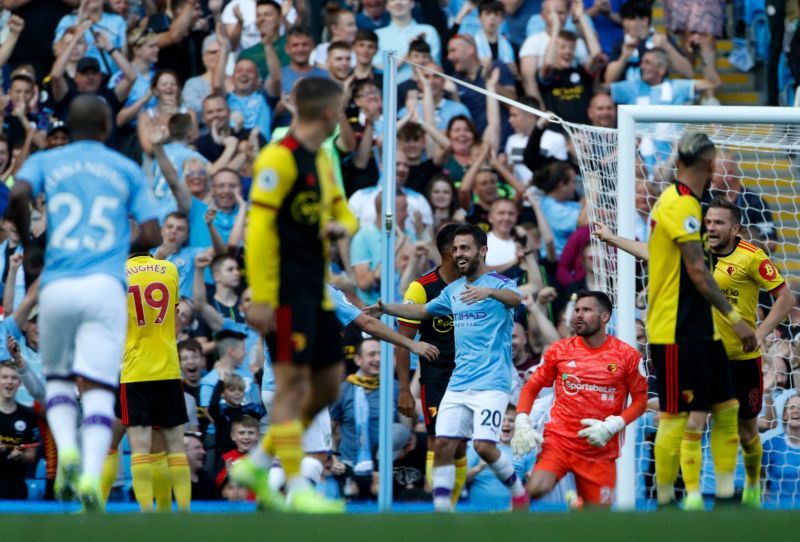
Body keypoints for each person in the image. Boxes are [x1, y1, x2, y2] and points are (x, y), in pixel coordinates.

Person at [8, 95, 161, 510]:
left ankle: (68, 452)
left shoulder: (48, 161)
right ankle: (92, 476)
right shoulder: (126, 168)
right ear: (108, 126)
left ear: (70, 128)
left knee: (57, 380)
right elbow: (153, 233)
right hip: (105, 286)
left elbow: (17, 193)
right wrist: (118, 244)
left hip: (58, 284)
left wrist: (27, 238)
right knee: (98, 386)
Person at [593, 197, 795, 507]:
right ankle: (693, 497)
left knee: (746, 431)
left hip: (741, 359)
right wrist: (610, 237)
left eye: (719, 223)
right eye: (708, 222)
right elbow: (652, 253)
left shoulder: (753, 258)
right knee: (692, 423)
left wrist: (759, 333)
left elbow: (784, 298)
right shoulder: (693, 252)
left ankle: (753, 483)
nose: (711, 227)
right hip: (701, 356)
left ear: (736, 227)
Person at [231, 77, 358, 513]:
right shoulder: (277, 158)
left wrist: (344, 226)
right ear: (328, 113)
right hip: (284, 290)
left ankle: (260, 460)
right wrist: (262, 296)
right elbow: (259, 229)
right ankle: (298, 490)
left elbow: (342, 209)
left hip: (317, 289)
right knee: (290, 387)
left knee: (326, 384)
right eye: (340, 110)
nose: (341, 118)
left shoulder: (322, 160)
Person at [366, 224, 529, 512]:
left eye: (464, 248)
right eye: (455, 249)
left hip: (492, 382)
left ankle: (518, 493)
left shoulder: (501, 283)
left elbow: (516, 299)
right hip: (459, 382)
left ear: (483, 250)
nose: (458, 254)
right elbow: (423, 311)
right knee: (441, 443)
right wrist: (387, 309)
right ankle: (442, 512)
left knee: (483, 447)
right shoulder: (453, 290)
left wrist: (488, 292)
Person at [643, 132, 756, 510]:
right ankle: (663, 500)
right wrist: (736, 319)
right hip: (675, 328)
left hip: (699, 329)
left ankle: (725, 495)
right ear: (710, 165)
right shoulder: (679, 204)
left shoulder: (688, 202)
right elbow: (696, 269)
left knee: (726, 405)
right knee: (675, 413)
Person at [512, 291, 648, 506]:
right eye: (576, 310)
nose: (578, 315)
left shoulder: (626, 355)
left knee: (596, 521)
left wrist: (614, 425)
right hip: (560, 442)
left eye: (586, 310)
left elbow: (641, 400)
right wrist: (521, 420)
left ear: (604, 317)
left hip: (599, 448)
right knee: (536, 488)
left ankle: (578, 507)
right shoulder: (560, 350)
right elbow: (531, 387)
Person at [116, 253, 191, 512]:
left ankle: (146, 513)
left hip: (136, 369)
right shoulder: (169, 269)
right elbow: (175, 314)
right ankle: (183, 512)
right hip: (168, 366)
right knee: (176, 451)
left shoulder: (118, 273)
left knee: (140, 450)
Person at [396, 224, 462, 505]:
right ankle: (441, 508)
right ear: (449, 251)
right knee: (439, 440)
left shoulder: (479, 285)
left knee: (459, 445)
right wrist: (403, 390)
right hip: (435, 375)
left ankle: (451, 501)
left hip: (470, 375)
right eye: (462, 247)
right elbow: (403, 341)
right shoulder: (422, 288)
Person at [0, 364, 40, 500]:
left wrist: (20, 456)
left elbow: (31, 455)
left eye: (14, 378)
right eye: (4, 377)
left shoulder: (28, 414)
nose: (9, 382)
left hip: (16, 486)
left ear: (19, 382)